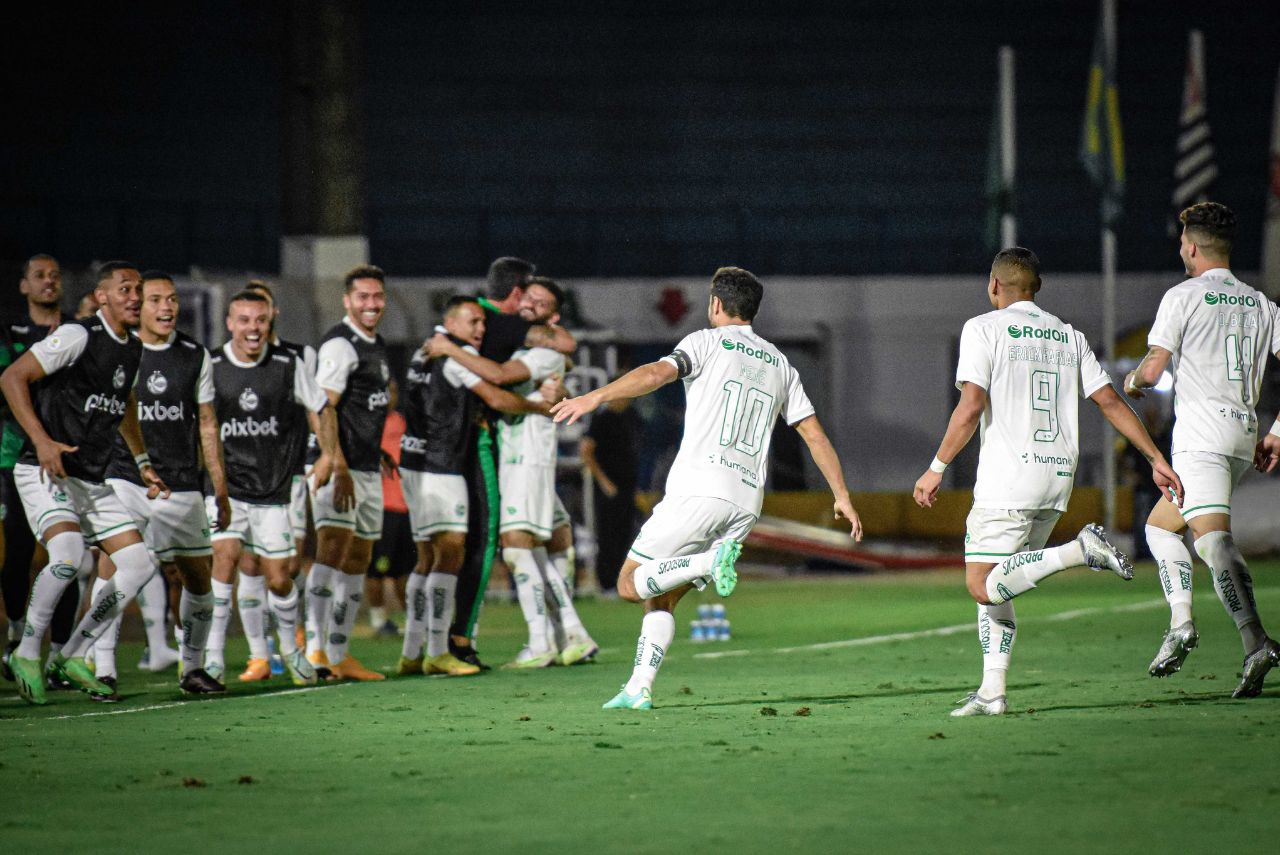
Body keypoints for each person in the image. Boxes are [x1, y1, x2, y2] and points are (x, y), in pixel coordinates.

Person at [552, 267, 862, 710]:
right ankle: (639, 687)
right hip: (745, 503)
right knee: (661, 595)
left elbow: (654, 375)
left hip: (699, 490)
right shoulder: (781, 364)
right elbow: (813, 434)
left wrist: (594, 396)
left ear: (716, 303)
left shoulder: (704, 342)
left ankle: (708, 562)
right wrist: (842, 496)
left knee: (629, 584)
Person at [912, 247, 1183, 718]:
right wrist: (1156, 457)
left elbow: (971, 406)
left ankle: (1078, 551)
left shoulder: (983, 328)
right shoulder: (1069, 336)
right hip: (1056, 479)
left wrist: (937, 466)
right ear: (1036, 288)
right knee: (1003, 580)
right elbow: (1110, 401)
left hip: (1008, 479)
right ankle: (992, 691)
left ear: (994, 286)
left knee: (982, 585)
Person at [1125, 202, 1280, 696]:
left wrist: (1133, 379)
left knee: (1213, 542)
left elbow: (1153, 371)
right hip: (1242, 436)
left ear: (1192, 247)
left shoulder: (1183, 296)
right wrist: (1277, 432)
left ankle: (1255, 640)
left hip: (1202, 438)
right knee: (1161, 528)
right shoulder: (1262, 304)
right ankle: (1181, 624)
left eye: (1181, 244)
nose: (1181, 251)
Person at [0, 261, 172, 705]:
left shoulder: (132, 348)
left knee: (138, 564)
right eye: (125, 289)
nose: (134, 297)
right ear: (102, 297)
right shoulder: (79, 335)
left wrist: (142, 460)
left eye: (138, 289)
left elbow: (124, 400)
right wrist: (42, 442)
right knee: (68, 554)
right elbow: (12, 376)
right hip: (45, 470)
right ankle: (26, 652)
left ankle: (72, 655)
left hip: (90, 479)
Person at [427, 280, 597, 667]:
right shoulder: (529, 349)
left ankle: (542, 641)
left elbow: (501, 377)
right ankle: (570, 634)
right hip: (525, 456)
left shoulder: (542, 353)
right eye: (528, 298)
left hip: (527, 456)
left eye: (540, 303)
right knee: (548, 543)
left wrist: (449, 348)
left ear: (553, 317)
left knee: (517, 547)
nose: (529, 306)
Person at [397, 296, 563, 676]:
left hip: (413, 459)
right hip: (442, 464)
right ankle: (438, 651)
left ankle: (411, 651)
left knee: (426, 557)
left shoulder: (422, 353)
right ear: (451, 322)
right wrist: (539, 406)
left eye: (482, 322)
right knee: (450, 552)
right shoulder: (454, 354)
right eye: (473, 321)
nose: (480, 329)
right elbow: (496, 394)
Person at [93, 271, 231, 697]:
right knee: (112, 568)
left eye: (171, 299)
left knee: (199, 581)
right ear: (139, 306)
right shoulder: (120, 351)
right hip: (125, 478)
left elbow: (207, 423)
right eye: (155, 300)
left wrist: (219, 487)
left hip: (182, 484)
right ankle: (102, 669)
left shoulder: (195, 355)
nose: (167, 307)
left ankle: (193, 668)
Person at [202, 290, 340, 686]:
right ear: (230, 323)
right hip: (226, 488)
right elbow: (203, 421)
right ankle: (213, 659)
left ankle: (291, 651)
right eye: (244, 320)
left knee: (281, 577)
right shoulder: (211, 365)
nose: (253, 328)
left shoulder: (287, 364)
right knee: (224, 560)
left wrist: (328, 455)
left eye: (260, 320)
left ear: (270, 321)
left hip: (272, 490)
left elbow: (322, 407)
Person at [304, 265, 391, 681]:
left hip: (366, 466)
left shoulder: (376, 344)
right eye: (363, 297)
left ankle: (339, 652)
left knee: (358, 558)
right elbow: (322, 406)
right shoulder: (340, 345)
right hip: (341, 467)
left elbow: (363, 407)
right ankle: (315, 650)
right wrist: (335, 461)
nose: (371, 304)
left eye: (377, 296)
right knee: (331, 552)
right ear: (347, 300)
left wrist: (376, 451)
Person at [1, 254, 81, 684]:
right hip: (14, 456)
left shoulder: (75, 332)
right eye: (39, 276)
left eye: (55, 275)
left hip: (66, 457)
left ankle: (60, 652)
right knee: (17, 553)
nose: (49, 282)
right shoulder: (8, 331)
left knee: (67, 553)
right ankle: (17, 634)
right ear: (24, 286)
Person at [580, 395, 641, 595]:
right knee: (608, 535)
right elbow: (586, 451)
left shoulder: (631, 417)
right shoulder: (601, 419)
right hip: (608, 488)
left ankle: (621, 581)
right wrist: (604, 481)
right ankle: (606, 583)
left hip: (627, 487)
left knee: (625, 534)